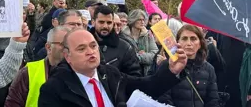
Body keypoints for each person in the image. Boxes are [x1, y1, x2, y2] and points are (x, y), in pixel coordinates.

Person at [38, 29, 188, 107]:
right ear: (67, 55)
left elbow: (147, 87)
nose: (90, 52)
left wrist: (171, 70)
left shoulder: (110, 74)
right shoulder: (54, 88)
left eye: (93, 46)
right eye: (81, 49)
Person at [4, 26, 70, 107]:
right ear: (48, 47)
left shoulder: (83, 71)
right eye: (63, 44)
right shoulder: (28, 72)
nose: (68, 49)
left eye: (71, 45)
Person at [158, 25, 219, 107]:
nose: (189, 43)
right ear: (177, 43)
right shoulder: (167, 66)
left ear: (200, 43)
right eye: (184, 39)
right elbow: (164, 98)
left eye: (193, 39)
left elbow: (213, 100)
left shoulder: (209, 69)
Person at [90, 5, 142, 77]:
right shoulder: (82, 45)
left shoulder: (125, 48)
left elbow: (135, 76)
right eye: (101, 22)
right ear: (93, 22)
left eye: (109, 22)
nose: (105, 26)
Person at [123, 9, 159, 76]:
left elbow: (155, 54)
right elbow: (123, 56)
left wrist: (138, 57)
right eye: (139, 20)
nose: (142, 22)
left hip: (146, 73)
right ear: (133, 20)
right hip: (128, 73)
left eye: (143, 20)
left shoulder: (148, 34)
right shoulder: (123, 35)